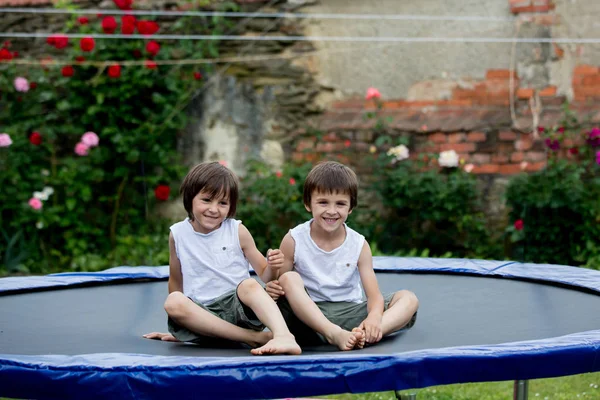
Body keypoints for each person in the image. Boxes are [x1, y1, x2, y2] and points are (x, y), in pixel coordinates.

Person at [143, 161, 301, 356]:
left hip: (238, 311)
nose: (214, 209)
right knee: (173, 301)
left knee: (249, 285)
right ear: (190, 198)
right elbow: (176, 280)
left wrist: (273, 266)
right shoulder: (177, 234)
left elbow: (265, 275)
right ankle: (252, 337)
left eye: (222, 203)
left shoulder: (237, 231)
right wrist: (180, 324)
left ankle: (284, 336)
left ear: (231, 206)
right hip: (204, 318)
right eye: (207, 200)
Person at [266, 161, 418, 351]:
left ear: (350, 207)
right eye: (323, 202)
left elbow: (374, 296)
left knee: (408, 299)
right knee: (289, 278)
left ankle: (365, 333)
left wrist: (374, 318)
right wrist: (272, 280)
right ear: (308, 204)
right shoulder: (294, 239)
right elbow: (280, 288)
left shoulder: (359, 244)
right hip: (306, 315)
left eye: (340, 204)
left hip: (349, 313)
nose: (331, 211)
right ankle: (332, 333)